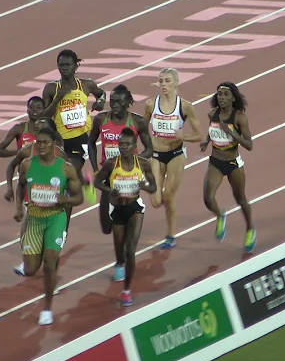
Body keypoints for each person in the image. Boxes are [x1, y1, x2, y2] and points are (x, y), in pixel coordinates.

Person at [14, 127, 84, 325]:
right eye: (39, 142)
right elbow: (20, 186)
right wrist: (19, 207)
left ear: (54, 144)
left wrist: (65, 199)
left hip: (55, 218)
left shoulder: (65, 168)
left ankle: (47, 309)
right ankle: (39, 269)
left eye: (45, 142)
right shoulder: (27, 165)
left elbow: (79, 197)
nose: (41, 146)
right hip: (35, 218)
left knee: (50, 261)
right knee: (30, 270)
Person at [88, 84, 154, 280]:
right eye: (112, 101)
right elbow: (91, 143)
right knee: (106, 227)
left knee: (124, 215)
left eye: (119, 101)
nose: (114, 105)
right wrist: (95, 168)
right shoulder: (101, 119)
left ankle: (121, 261)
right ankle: (122, 245)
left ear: (128, 103)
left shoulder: (138, 122)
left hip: (128, 177)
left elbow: (149, 149)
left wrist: (134, 162)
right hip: (108, 176)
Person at [94, 127, 157, 306]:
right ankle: (119, 263)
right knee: (120, 251)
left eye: (127, 144)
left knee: (130, 249)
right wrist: (109, 190)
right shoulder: (111, 164)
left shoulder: (143, 164)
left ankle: (126, 291)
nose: (123, 147)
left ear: (134, 146)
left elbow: (153, 187)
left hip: (135, 207)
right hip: (117, 209)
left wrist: (143, 186)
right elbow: (98, 181)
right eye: (120, 144)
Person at [144, 68, 204, 249]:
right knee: (155, 202)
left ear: (176, 83)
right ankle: (150, 182)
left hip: (175, 155)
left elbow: (199, 135)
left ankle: (171, 235)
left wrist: (182, 137)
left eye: (167, 81)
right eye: (161, 81)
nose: (163, 85)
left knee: (168, 197)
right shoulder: (150, 104)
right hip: (156, 154)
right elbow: (141, 127)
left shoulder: (185, 106)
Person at [4, 117, 71, 277]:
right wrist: (10, 190)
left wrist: (65, 199)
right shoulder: (28, 151)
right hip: (33, 203)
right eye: (37, 131)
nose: (38, 134)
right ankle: (30, 260)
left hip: (55, 209)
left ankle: (51, 278)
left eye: (42, 131)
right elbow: (12, 167)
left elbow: (70, 181)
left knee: (51, 249)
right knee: (26, 233)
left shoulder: (60, 155)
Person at [41, 49, 106, 203]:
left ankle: (69, 200)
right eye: (61, 65)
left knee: (67, 173)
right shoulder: (51, 88)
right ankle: (85, 182)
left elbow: (101, 93)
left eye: (68, 65)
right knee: (68, 174)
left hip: (81, 138)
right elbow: (45, 115)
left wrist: (101, 102)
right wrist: (58, 98)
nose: (64, 68)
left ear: (75, 66)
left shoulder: (86, 85)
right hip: (60, 140)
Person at [200, 82, 256, 252]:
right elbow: (213, 130)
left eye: (226, 94)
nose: (222, 97)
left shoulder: (239, 117)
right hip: (215, 162)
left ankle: (250, 229)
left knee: (240, 199)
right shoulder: (212, 114)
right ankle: (220, 215)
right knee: (208, 198)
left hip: (233, 164)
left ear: (233, 98)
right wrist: (206, 140)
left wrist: (231, 132)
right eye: (219, 94)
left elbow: (249, 145)